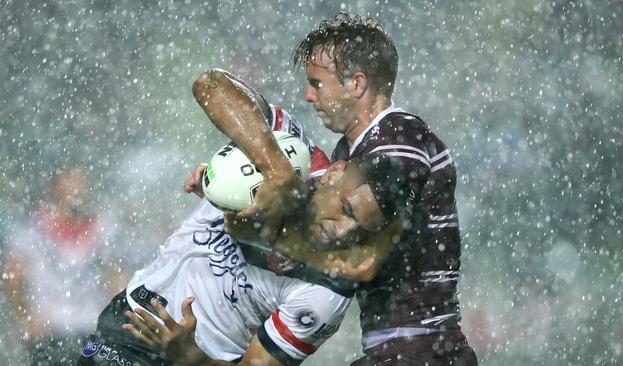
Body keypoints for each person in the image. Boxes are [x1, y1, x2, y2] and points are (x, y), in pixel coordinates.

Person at [79, 70, 399, 366]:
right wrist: (276, 171)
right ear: (334, 173)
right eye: (346, 210)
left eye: (360, 230)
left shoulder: (328, 292)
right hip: (132, 321)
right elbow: (211, 84)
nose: (342, 231)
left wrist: (191, 356)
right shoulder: (291, 150)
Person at [290, 13, 478, 365]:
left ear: (356, 85)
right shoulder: (352, 151)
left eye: (316, 83)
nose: (307, 95)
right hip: (402, 351)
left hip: (421, 351)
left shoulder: (397, 139)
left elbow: (360, 258)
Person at [3, 167, 124, 366]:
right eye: (69, 182)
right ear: (55, 187)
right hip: (49, 330)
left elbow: (116, 277)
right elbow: (12, 277)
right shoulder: (35, 228)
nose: (75, 189)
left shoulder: (103, 229)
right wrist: (26, 317)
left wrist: (117, 322)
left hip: (91, 328)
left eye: (80, 182)